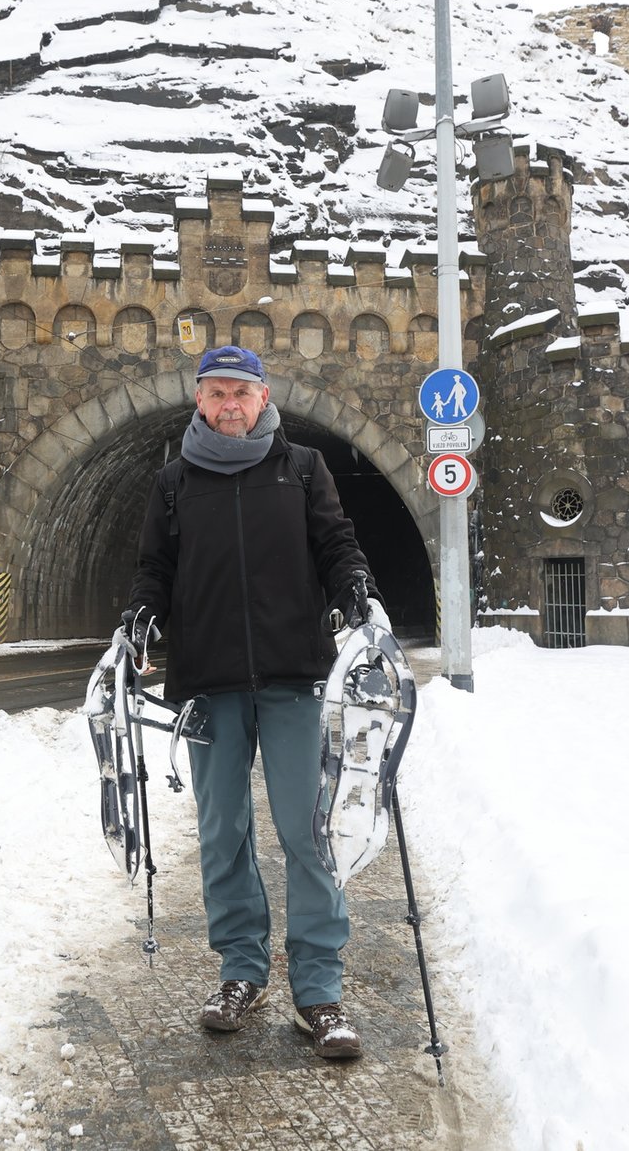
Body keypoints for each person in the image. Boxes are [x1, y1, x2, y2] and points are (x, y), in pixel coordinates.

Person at [123, 345, 388, 1060]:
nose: (229, 404)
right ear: (200, 400)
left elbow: (336, 543)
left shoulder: (301, 468)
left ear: (263, 395)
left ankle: (319, 987)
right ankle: (242, 971)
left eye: (241, 391)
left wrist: (355, 586)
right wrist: (141, 614)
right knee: (223, 831)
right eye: (216, 393)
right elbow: (155, 567)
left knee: (307, 828)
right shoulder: (175, 482)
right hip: (207, 681)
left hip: (293, 673)